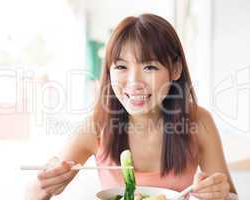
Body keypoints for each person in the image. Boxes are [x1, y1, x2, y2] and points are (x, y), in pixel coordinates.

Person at [26, 13, 237, 200]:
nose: (134, 82)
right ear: (109, 71)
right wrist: (47, 184)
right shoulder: (97, 126)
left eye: (149, 67)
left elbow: (230, 195)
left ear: (175, 69)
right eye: (121, 67)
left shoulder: (198, 121)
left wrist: (220, 195)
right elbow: (30, 195)